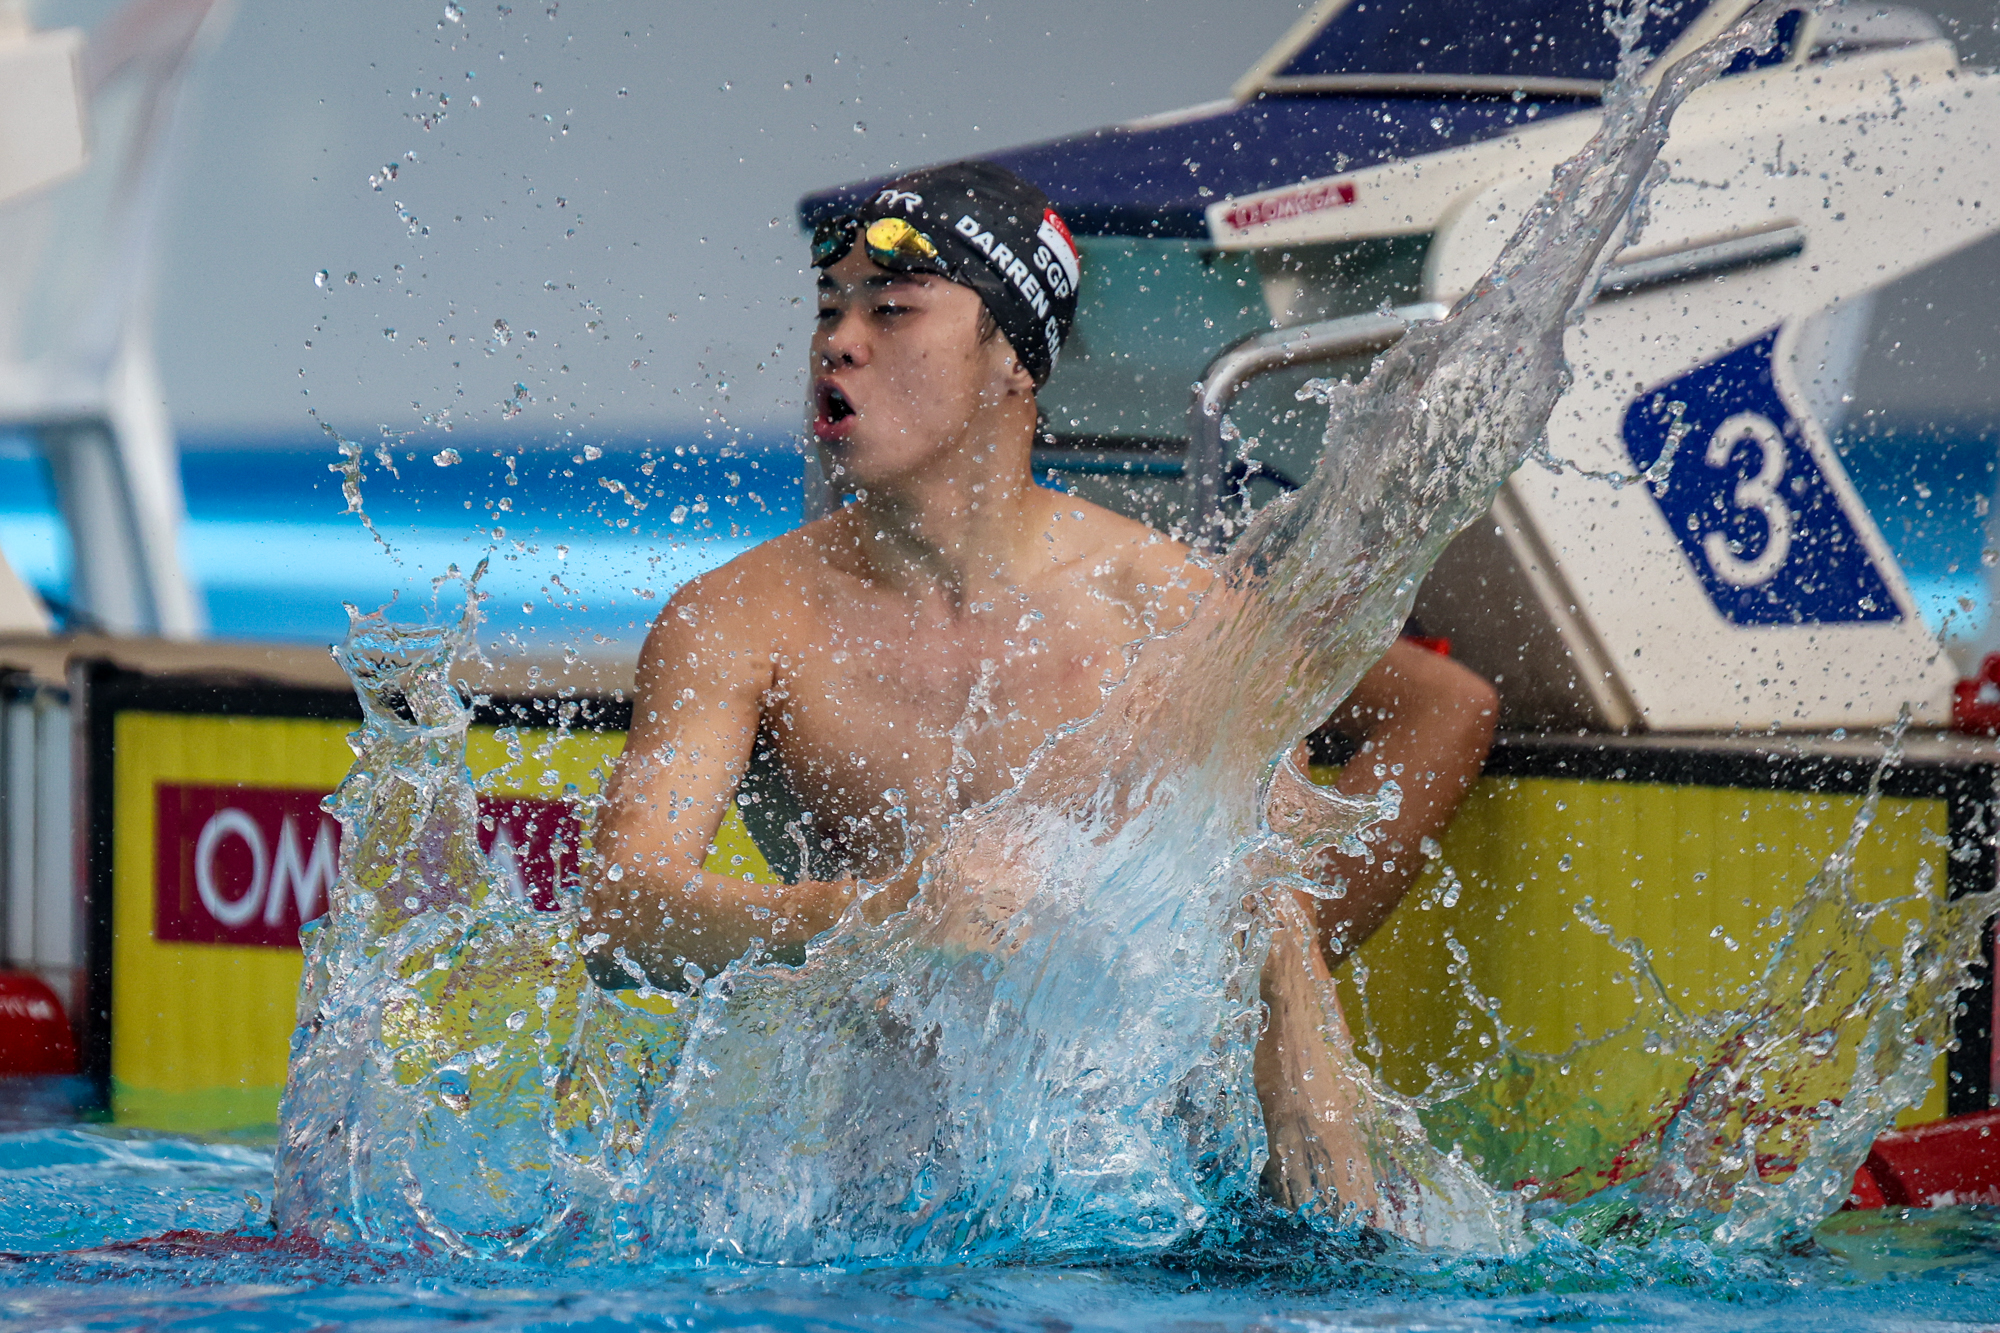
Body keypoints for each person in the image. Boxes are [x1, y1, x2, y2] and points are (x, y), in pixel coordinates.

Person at [585, 161, 1497, 1219]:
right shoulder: (741, 621)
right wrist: (875, 911)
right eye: (829, 309)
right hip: (872, 1205)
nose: (838, 340)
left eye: (891, 309)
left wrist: (1304, 1064)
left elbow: (1267, 886)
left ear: (1012, 360)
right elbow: (618, 918)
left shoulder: (1164, 606)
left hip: (1157, 1195)